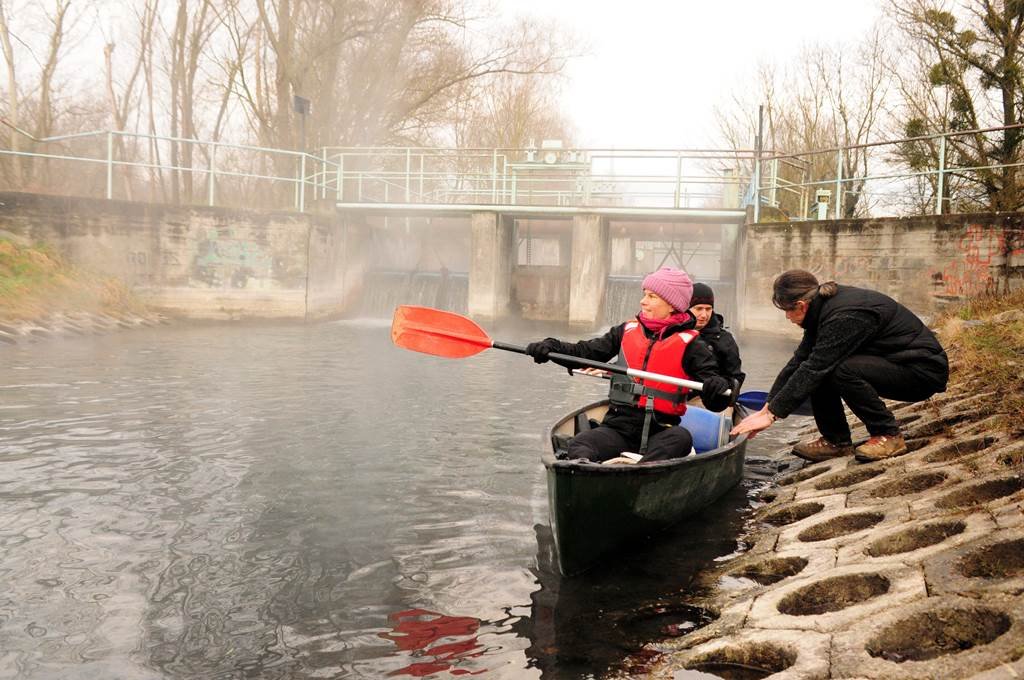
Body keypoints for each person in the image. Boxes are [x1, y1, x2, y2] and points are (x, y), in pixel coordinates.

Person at [730, 269, 949, 463]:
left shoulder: (845, 316)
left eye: (787, 310)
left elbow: (816, 367)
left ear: (801, 305)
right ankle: (835, 442)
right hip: (895, 364)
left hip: (921, 372)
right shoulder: (821, 311)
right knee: (821, 370)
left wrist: (773, 416)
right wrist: (768, 407)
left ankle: (889, 436)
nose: (787, 317)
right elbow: (799, 361)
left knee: (838, 369)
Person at [525, 267, 732, 463]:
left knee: (681, 438)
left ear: (672, 305)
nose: (643, 301)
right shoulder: (625, 330)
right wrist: (551, 348)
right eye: (645, 294)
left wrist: (717, 387)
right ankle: (586, 472)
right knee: (581, 443)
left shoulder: (693, 346)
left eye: (652, 296)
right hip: (618, 427)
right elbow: (584, 352)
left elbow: (716, 402)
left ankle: (642, 473)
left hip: (661, 430)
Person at [689, 282, 745, 389]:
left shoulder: (725, 339)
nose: (704, 315)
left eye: (708, 309)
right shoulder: (673, 333)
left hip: (707, 398)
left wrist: (724, 384)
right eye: (699, 309)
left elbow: (736, 376)